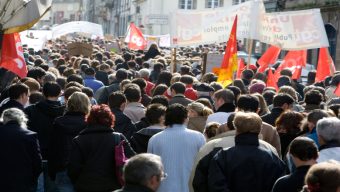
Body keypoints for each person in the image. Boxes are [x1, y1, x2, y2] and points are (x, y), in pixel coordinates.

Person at [208, 112, 285, 192]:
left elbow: (216, 185)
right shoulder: (271, 157)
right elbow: (279, 185)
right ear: (259, 130)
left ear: (236, 128)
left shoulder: (223, 156)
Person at [68, 104, 136, 191]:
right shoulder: (118, 138)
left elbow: (73, 168)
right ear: (110, 119)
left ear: (89, 119)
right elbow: (132, 160)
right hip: (113, 186)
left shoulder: (79, 140)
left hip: (85, 186)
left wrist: (79, 182)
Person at [148, 104, 205, 192]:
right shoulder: (198, 137)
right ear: (186, 118)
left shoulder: (155, 139)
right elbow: (204, 165)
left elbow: (150, 168)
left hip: (163, 188)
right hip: (190, 187)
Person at [48, 92, 91, 191]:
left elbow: (53, 147)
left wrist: (52, 169)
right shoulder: (89, 123)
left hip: (62, 165)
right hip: (84, 167)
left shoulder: (58, 122)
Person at [0, 108, 42, 191]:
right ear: (22, 119)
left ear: (3, 119)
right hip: (23, 180)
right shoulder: (30, 135)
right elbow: (37, 162)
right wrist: (33, 178)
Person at [25, 82, 65, 160]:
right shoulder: (65, 111)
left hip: (37, 149)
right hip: (59, 151)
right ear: (60, 93)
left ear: (42, 93)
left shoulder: (30, 109)